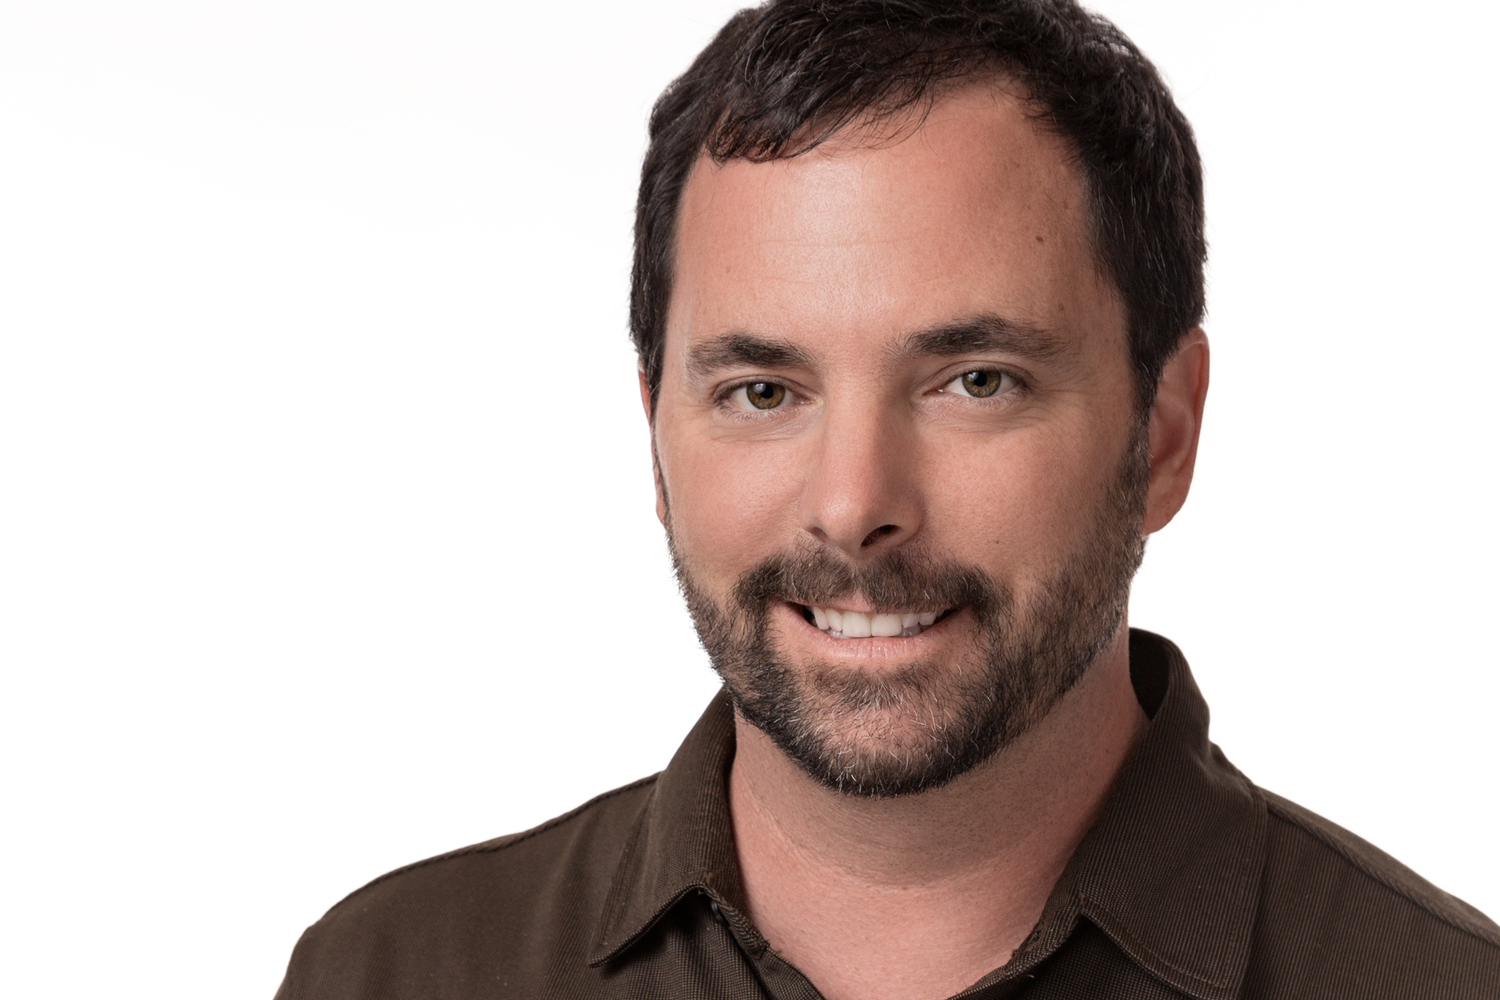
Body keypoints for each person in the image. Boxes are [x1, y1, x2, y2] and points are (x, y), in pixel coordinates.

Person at [273, 1, 1500, 996]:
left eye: (976, 381)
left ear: (1164, 432)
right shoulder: (390, 974)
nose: (854, 503)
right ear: (656, 438)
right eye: (762, 391)